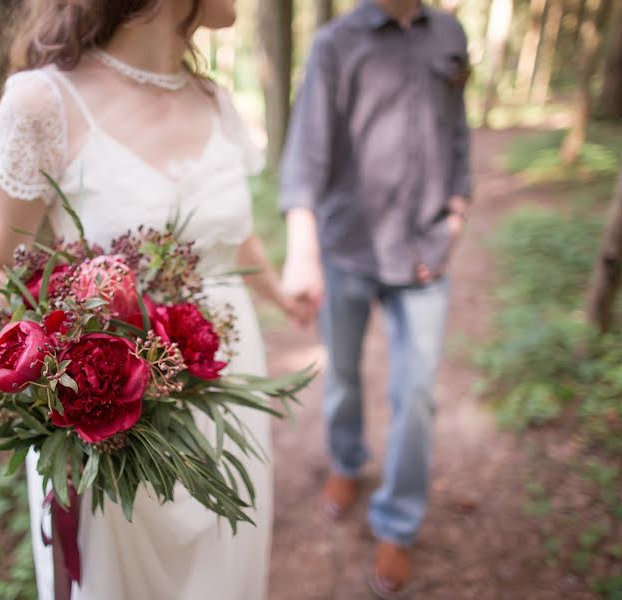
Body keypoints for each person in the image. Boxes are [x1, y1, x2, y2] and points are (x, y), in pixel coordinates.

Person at [0, 1, 304, 598]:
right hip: (111, 417)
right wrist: (51, 383)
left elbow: (231, 237)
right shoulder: (42, 103)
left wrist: (283, 292)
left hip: (231, 385)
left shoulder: (215, 101)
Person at [279, 0, 472, 596]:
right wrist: (303, 248)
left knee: (416, 394)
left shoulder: (450, 32)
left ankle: (398, 521)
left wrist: (457, 209)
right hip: (347, 248)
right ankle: (344, 460)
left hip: (424, 253)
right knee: (341, 374)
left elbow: (457, 130)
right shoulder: (336, 43)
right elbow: (307, 152)